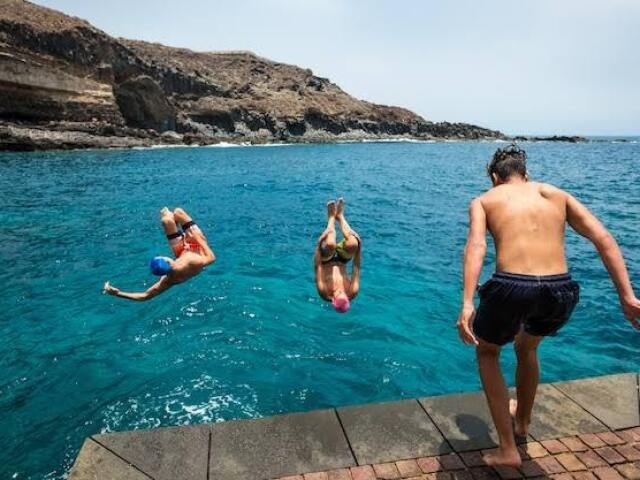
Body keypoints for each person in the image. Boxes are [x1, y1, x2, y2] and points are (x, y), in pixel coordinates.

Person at [456, 144, 640, 467]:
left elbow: (476, 246)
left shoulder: (484, 200)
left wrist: (468, 302)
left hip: (512, 286)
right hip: (560, 290)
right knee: (527, 347)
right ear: (526, 175)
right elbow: (604, 239)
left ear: (494, 177)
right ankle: (523, 422)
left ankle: (507, 448)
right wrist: (627, 296)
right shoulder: (557, 194)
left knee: (487, 351)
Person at [103, 207, 216, 301]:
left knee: (166, 221)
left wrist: (117, 293)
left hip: (182, 252)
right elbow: (211, 258)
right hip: (197, 247)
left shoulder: (168, 279)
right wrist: (197, 238)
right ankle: (172, 218)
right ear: (168, 261)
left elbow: (145, 296)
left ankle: (170, 219)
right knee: (178, 212)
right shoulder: (192, 262)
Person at [314, 198, 362, 313]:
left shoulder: (324, 292)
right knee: (353, 243)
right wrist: (359, 245)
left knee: (330, 244)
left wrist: (319, 242)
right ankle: (340, 216)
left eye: (338, 294)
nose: (341, 291)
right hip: (342, 260)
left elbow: (317, 267)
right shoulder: (352, 291)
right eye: (343, 294)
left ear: (333, 299)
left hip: (326, 260)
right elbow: (356, 267)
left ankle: (331, 219)